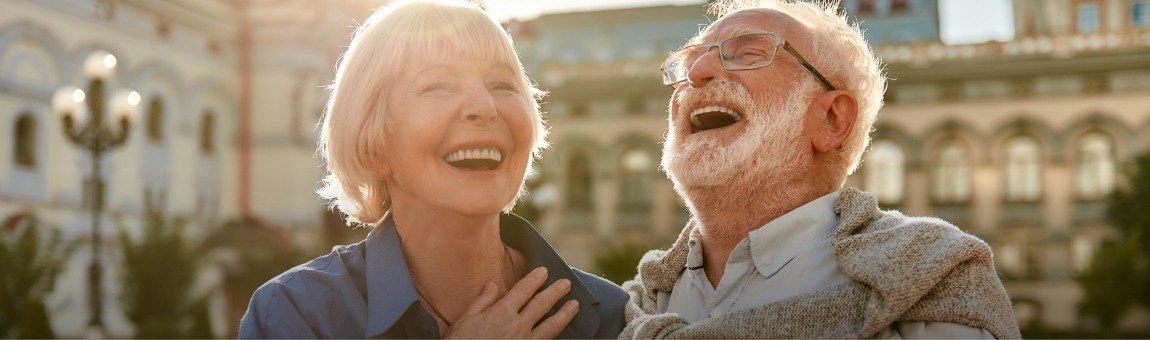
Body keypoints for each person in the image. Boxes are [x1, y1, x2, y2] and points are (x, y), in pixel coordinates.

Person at [621, 0, 1021, 338]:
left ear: (831, 120)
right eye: (687, 62)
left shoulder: (935, 275)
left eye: (748, 53)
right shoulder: (629, 304)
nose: (696, 73)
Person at [238, 1, 627, 338]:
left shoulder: (612, 315)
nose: (484, 106)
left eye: (502, 85)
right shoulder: (299, 313)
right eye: (438, 85)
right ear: (373, 146)